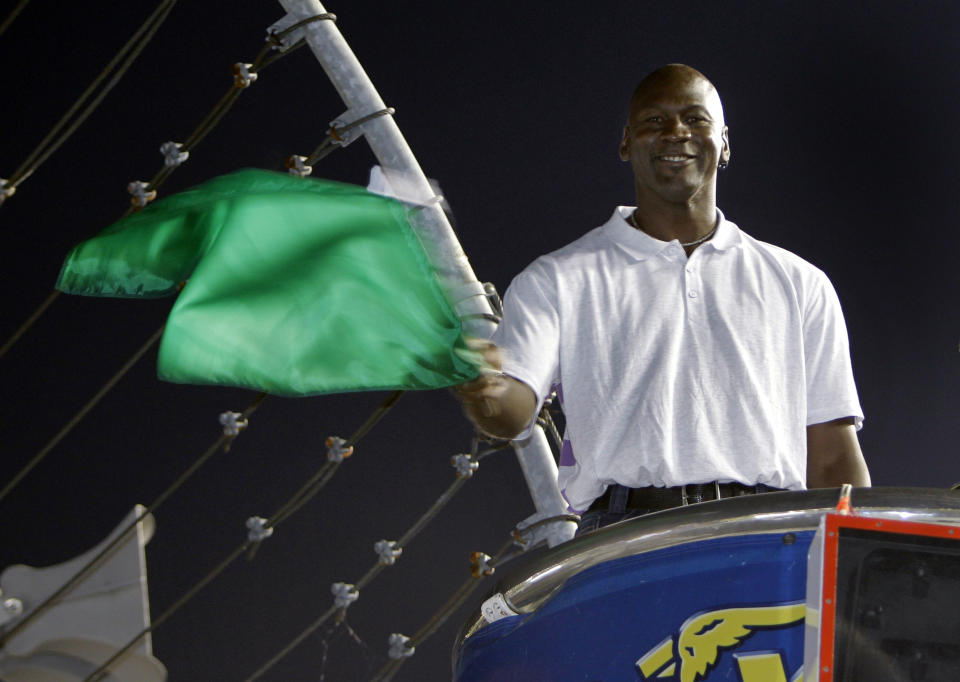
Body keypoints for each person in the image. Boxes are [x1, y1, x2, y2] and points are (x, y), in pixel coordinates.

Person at [453, 64, 870, 532]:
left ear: (725, 142)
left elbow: (834, 459)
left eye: (696, 119)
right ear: (626, 143)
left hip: (769, 539)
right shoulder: (557, 279)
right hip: (623, 538)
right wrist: (485, 389)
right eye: (654, 120)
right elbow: (513, 410)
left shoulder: (800, 283)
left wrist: (859, 567)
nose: (676, 132)